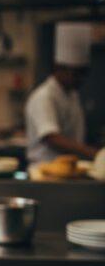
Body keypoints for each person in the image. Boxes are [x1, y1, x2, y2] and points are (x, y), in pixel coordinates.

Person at [25, 22, 99, 164]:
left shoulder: (72, 95)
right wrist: (94, 153)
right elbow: (51, 137)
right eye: (76, 73)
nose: (81, 79)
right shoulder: (44, 96)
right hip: (45, 171)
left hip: (69, 168)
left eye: (84, 73)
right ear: (59, 68)